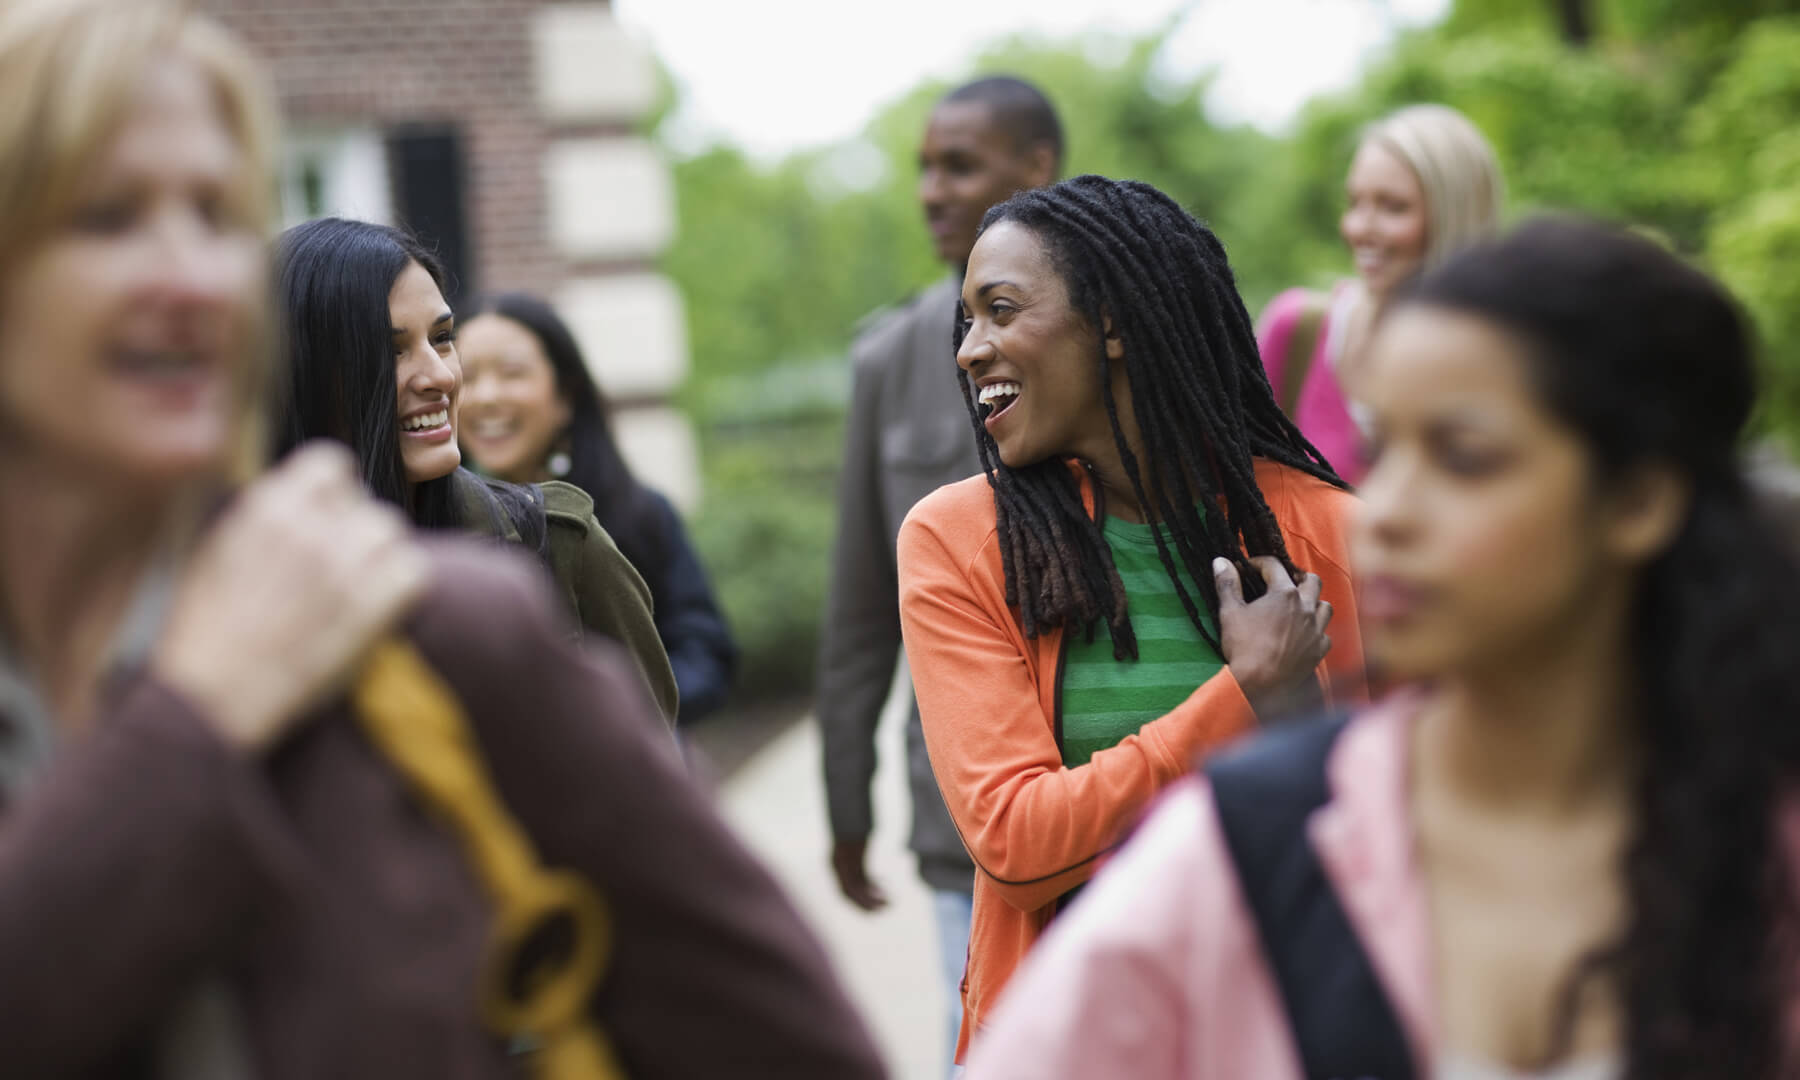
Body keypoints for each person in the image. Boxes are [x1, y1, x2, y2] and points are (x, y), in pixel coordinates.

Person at [0, 1, 888, 1076]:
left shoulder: (450, 628)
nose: (191, 276)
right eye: (108, 217)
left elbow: (782, 1035)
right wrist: (195, 723)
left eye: (213, 217)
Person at [964, 218, 1800, 1080]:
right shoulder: (1250, 847)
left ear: (1638, 502)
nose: (1387, 511)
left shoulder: (1767, 856)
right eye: (1386, 450)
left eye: (1464, 458)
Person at [898, 174, 1365, 1062]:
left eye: (1000, 310)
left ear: (1112, 322)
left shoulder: (1325, 534)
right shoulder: (960, 543)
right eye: (968, 319)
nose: (969, 349)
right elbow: (1017, 841)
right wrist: (1245, 693)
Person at [816, 74, 1060, 1065]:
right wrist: (847, 801)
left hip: (1120, 798)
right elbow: (860, 609)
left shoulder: (1122, 333)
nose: (929, 190)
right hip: (959, 820)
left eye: (958, 164)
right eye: (923, 167)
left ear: (1035, 168)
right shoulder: (887, 360)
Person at [272, 217, 679, 722]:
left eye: (442, 338)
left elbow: (649, 780)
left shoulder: (560, 546)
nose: (441, 375)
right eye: (392, 349)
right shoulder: (215, 586)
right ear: (300, 377)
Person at [457, 293, 737, 725]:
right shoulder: (435, 526)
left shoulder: (640, 514)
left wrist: (618, 712)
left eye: (512, 373)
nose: (486, 396)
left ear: (566, 395)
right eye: (467, 376)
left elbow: (705, 656)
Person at [1257, 103, 1502, 484]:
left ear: (1456, 216)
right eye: (1355, 203)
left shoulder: (1506, 364)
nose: (1359, 227)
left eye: (1393, 207)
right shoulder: (1300, 332)